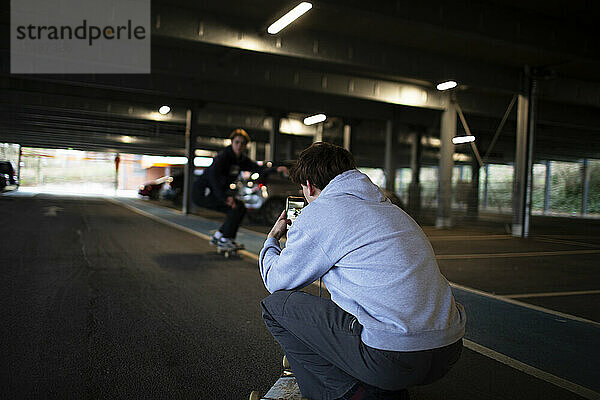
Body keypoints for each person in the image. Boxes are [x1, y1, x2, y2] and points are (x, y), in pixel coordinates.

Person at [258, 142, 466, 400]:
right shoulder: (390, 208)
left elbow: (276, 280)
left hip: (393, 359)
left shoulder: (321, 212)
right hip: (449, 350)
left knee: (277, 306)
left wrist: (272, 240)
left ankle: (352, 393)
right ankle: (377, 382)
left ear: (309, 186)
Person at [193, 128, 286, 249]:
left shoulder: (241, 160)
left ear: (245, 146)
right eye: (237, 142)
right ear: (232, 142)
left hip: (215, 193)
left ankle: (220, 236)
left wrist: (276, 169)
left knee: (239, 208)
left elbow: (257, 168)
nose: (239, 145)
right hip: (202, 192)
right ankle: (225, 239)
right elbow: (213, 179)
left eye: (242, 143)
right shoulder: (223, 157)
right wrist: (225, 197)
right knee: (235, 208)